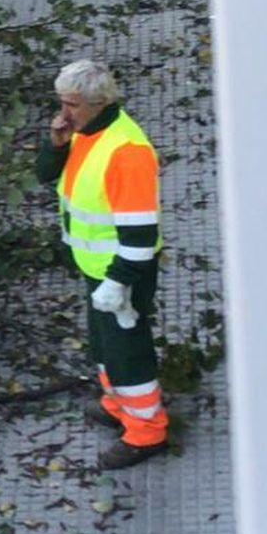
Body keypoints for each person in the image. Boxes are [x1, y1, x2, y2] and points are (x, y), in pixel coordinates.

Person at [35, 56, 168, 467]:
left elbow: (140, 235)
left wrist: (117, 282)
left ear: (98, 102)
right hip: (98, 270)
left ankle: (147, 432)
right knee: (105, 345)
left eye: (71, 105)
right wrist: (56, 144)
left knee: (128, 352)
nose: (63, 113)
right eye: (61, 102)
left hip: (121, 275)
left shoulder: (126, 153)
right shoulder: (85, 132)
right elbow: (45, 175)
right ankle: (119, 407)